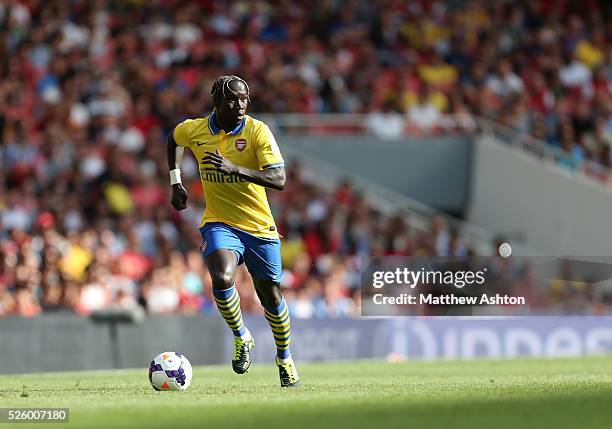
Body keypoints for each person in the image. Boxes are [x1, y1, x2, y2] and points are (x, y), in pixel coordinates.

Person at [166, 75, 300, 387]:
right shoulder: (196, 129)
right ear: (216, 102)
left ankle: (284, 356)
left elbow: (279, 178)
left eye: (244, 100)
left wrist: (235, 168)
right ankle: (242, 336)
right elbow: (174, 139)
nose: (239, 106)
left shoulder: (257, 131)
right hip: (220, 222)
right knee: (222, 277)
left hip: (259, 227)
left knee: (270, 295)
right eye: (232, 100)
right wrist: (175, 181)